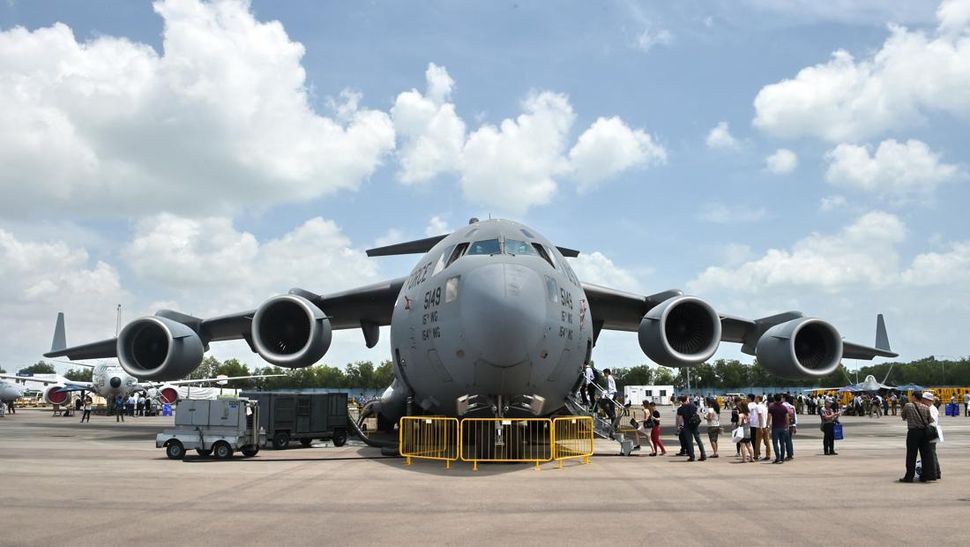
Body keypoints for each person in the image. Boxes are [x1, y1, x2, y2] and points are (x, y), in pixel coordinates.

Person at [899, 391, 936, 482]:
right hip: (924, 433)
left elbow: (903, 416)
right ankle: (925, 476)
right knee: (925, 455)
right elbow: (930, 420)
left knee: (911, 455)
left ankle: (909, 476)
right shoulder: (926, 407)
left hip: (913, 432)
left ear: (914, 397)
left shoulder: (908, 406)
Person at [676, 395, 706, 462]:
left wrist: (679, 426)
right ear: (687, 399)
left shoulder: (680, 409)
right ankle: (703, 455)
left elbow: (680, 418)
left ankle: (692, 456)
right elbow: (695, 412)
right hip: (694, 425)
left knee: (689, 442)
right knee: (698, 440)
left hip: (687, 426)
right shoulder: (692, 405)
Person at [767, 394, 790, 464]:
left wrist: (768, 426)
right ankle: (782, 458)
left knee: (775, 443)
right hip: (783, 427)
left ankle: (778, 457)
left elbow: (769, 418)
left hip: (775, 427)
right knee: (782, 443)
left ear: (774, 399)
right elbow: (787, 418)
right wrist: (787, 426)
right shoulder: (784, 407)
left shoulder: (771, 407)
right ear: (780, 399)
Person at [925, 392, 943, 481]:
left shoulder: (932, 409)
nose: (923, 401)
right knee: (933, 453)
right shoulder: (931, 408)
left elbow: (931, 422)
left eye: (924, 400)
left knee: (931, 453)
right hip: (932, 431)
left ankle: (935, 473)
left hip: (932, 432)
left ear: (929, 400)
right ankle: (937, 472)